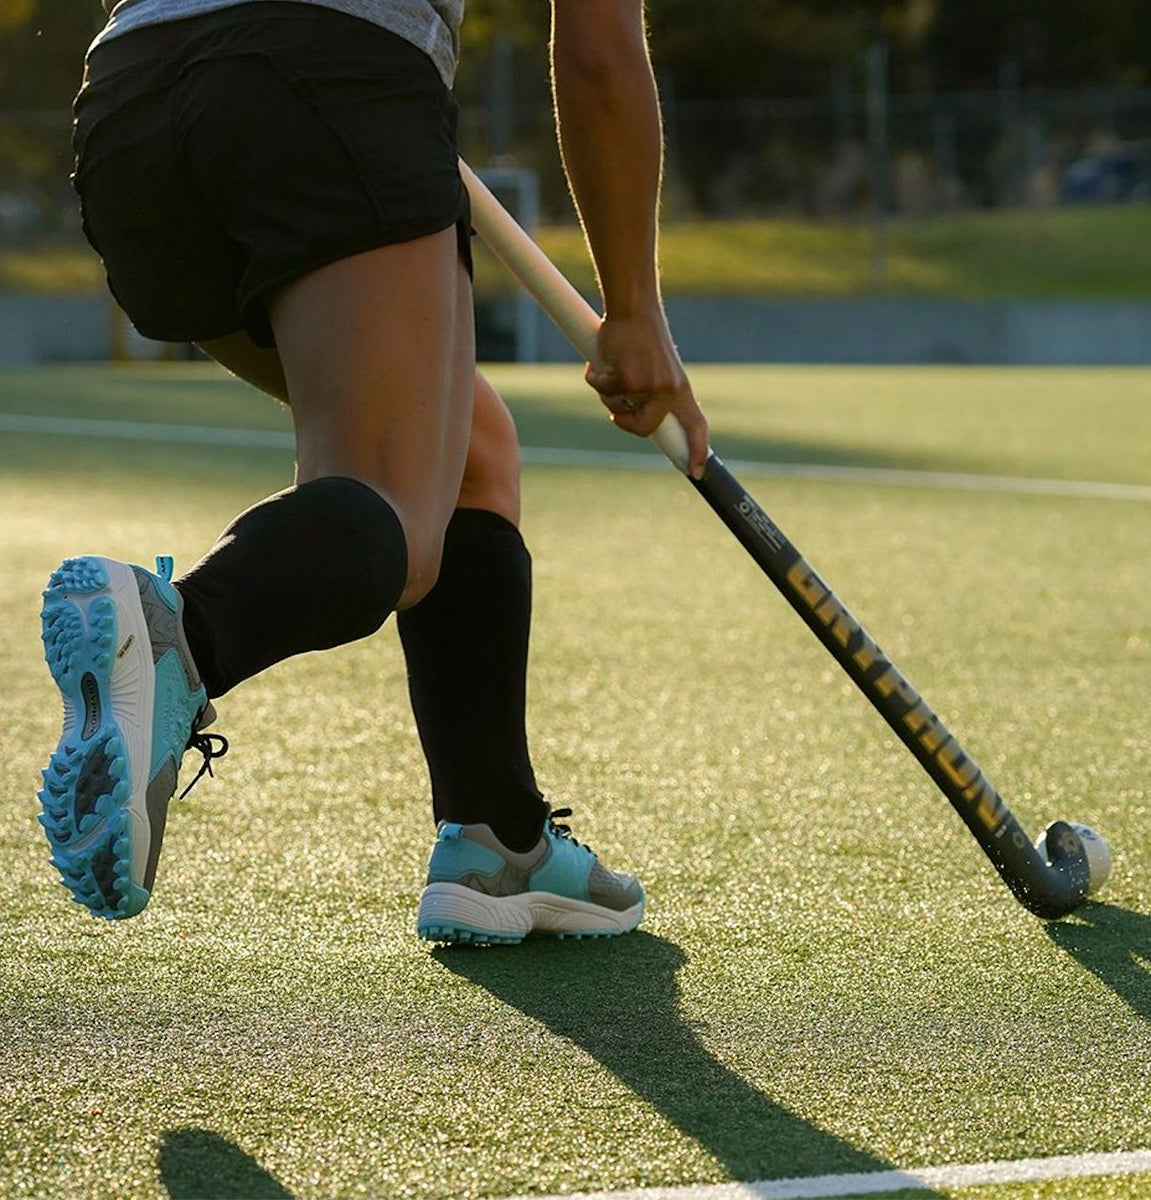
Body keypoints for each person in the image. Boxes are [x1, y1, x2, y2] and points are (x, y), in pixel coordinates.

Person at [38, 0, 709, 944]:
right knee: (395, 511)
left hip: (131, 102)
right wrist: (634, 307)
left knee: (467, 450)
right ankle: (180, 632)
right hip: (326, 74)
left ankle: (497, 842)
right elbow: (598, 53)